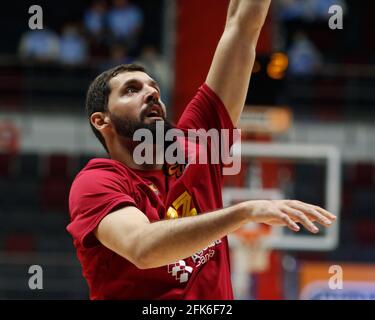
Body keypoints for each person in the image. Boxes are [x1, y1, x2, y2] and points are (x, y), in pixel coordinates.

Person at [67, 0, 336, 300]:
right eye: (132, 89)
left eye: (153, 87)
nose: (151, 93)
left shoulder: (196, 145)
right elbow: (142, 247)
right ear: (101, 120)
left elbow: (242, 27)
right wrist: (243, 212)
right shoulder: (96, 182)